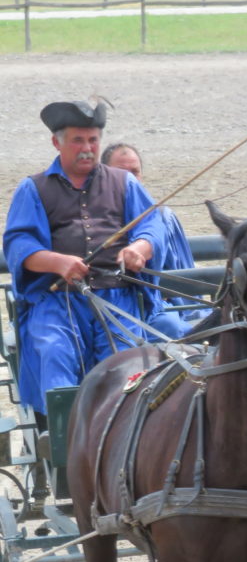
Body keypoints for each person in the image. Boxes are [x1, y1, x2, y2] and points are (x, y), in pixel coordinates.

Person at [2, 100, 186, 419]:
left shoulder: (123, 182)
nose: (87, 148)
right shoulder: (33, 188)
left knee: (126, 362)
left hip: (119, 299)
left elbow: (152, 223)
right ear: (56, 142)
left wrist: (140, 248)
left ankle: (123, 438)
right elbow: (19, 243)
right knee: (54, 351)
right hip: (57, 302)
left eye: (93, 140)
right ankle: (64, 443)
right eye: (78, 140)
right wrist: (56, 262)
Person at [101, 141, 208, 325]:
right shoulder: (89, 219)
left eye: (135, 172)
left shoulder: (161, 218)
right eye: (121, 172)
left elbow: (183, 280)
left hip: (157, 308)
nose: (130, 179)